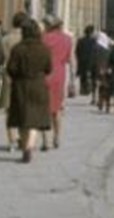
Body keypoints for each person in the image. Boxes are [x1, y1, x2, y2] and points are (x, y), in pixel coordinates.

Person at [6, 19, 52, 163]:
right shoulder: (44, 48)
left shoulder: (18, 49)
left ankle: (25, 146)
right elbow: (49, 69)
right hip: (38, 85)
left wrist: (17, 75)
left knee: (22, 119)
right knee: (35, 120)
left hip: (21, 85)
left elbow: (11, 69)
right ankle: (29, 147)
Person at [41, 16, 73, 150]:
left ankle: (46, 141)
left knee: (44, 109)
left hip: (44, 74)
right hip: (59, 75)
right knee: (57, 110)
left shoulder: (43, 38)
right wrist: (72, 79)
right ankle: (57, 138)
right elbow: (68, 59)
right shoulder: (68, 39)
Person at [0, 12, 27, 152]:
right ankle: (23, 138)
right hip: (24, 76)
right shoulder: (27, 39)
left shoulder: (5, 39)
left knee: (9, 110)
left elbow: (1, 58)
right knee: (23, 109)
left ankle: (11, 141)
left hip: (9, 75)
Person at [75, 25, 99, 99]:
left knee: (83, 75)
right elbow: (96, 51)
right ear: (91, 32)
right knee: (91, 76)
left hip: (83, 60)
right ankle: (89, 88)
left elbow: (77, 51)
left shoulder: (80, 40)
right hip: (91, 61)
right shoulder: (94, 41)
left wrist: (79, 58)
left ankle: (83, 89)